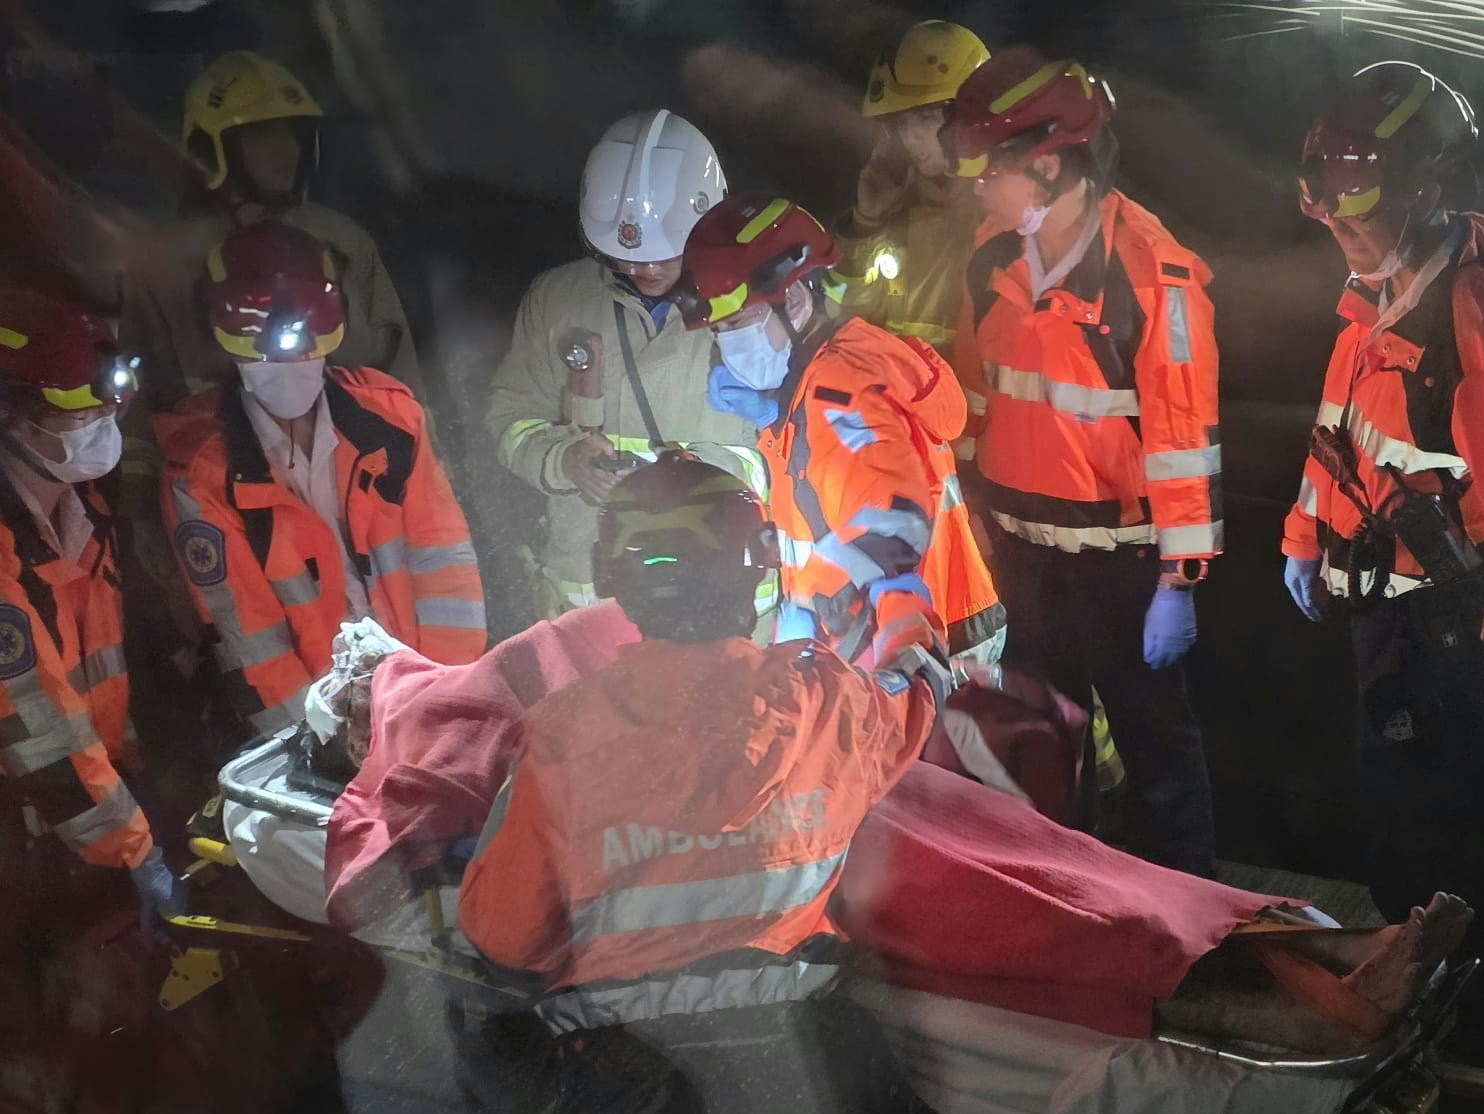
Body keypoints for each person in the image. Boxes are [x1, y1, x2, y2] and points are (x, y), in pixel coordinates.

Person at [456, 452, 945, 1114]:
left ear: (615, 581)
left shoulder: (565, 738)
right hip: (791, 1101)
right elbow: (907, 712)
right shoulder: (830, 703)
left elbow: (502, 937)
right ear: (755, 569)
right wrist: (917, 649)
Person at [1279, 62, 1484, 1070]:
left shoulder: (1473, 304)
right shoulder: (1377, 298)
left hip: (1450, 625)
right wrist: (1303, 536)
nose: (1335, 213)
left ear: (1424, 183)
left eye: (1355, 188)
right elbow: (1340, 436)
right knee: (1400, 824)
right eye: (1323, 186)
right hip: (1387, 612)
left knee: (1468, 833)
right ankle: (1418, 1011)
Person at [950, 51, 1223, 875]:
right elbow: (973, 403)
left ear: (1047, 165)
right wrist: (971, 521)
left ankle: (1191, 918)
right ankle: (1066, 906)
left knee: (1159, 762)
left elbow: (1185, 443)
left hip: (1121, 570)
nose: (978, 189)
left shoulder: (1155, 277)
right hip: (1022, 559)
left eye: (990, 172)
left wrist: (1179, 583)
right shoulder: (990, 257)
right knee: (1042, 762)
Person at [158, 220, 486, 739]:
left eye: (303, 343)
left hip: (425, 686)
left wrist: (450, 696)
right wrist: (321, 742)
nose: (287, 359)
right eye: (263, 347)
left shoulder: (393, 422)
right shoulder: (204, 474)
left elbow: (445, 568)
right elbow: (252, 642)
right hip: (317, 718)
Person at [675, 191, 1005, 664]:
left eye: (739, 322)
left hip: (918, 644)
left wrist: (870, 646)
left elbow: (891, 531)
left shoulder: (841, 389)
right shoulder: (814, 379)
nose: (728, 345)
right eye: (719, 330)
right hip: (901, 631)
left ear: (793, 299)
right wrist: (776, 418)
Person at [486, 109, 755, 618]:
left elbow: (788, 452)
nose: (645, 267)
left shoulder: (755, 304)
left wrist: (687, 475)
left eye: (664, 253)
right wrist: (565, 460)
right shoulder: (557, 300)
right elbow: (510, 421)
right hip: (590, 602)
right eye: (628, 254)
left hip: (725, 599)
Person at [0, 289, 173, 930]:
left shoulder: (87, 511)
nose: (103, 420)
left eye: (110, 403)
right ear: (9, 416)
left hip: (88, 803)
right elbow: (38, 727)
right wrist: (131, 849)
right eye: (78, 410)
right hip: (26, 826)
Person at [123, 51, 421, 421]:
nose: (287, 149)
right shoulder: (165, 265)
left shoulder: (344, 243)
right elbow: (139, 400)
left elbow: (400, 379)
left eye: (294, 134)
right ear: (210, 150)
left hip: (347, 450)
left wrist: (419, 444)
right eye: (261, 134)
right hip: (213, 453)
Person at [839, 18, 991, 354]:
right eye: (902, 121)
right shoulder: (893, 202)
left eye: (926, 117)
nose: (910, 137)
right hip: (895, 386)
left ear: (972, 114)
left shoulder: (1009, 211)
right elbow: (845, 324)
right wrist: (865, 223)